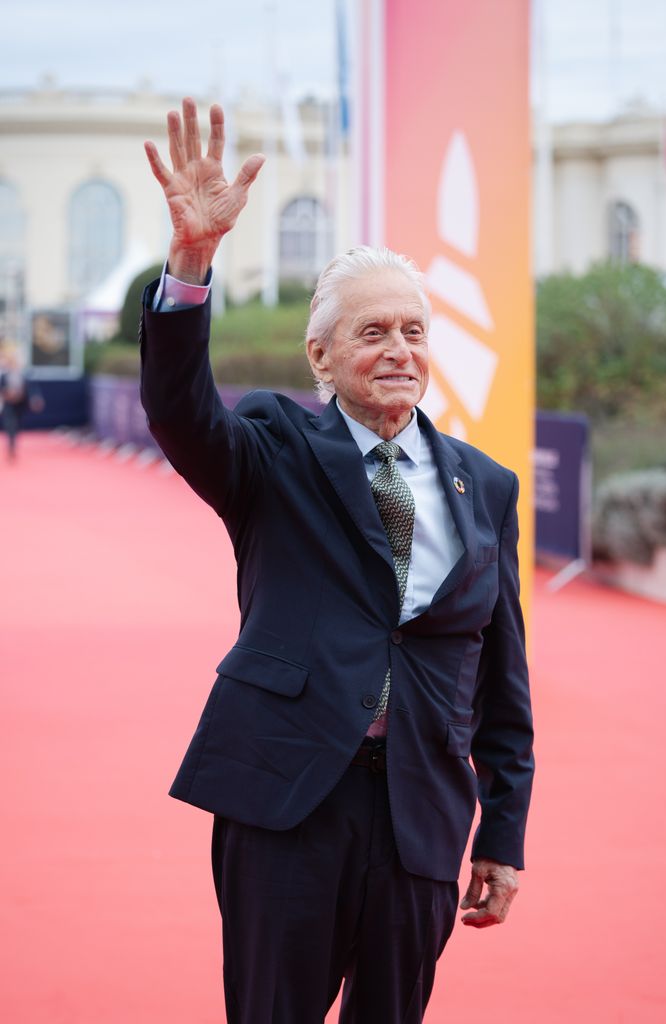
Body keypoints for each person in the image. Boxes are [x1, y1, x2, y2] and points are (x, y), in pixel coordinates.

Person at [141, 98, 534, 1024]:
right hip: (288, 800)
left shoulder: (489, 485)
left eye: (412, 330)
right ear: (320, 356)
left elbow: (503, 678)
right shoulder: (273, 449)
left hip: (421, 816)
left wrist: (503, 834)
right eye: (371, 333)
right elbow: (179, 411)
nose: (398, 350)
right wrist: (193, 263)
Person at [0, 346, 44, 461]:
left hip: (20, 405)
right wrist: (7, 394)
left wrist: (35, 399)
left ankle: (13, 442)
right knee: (10, 425)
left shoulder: (25, 375)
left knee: (17, 426)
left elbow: (32, 389)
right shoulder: (4, 376)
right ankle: (11, 445)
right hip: (8, 404)